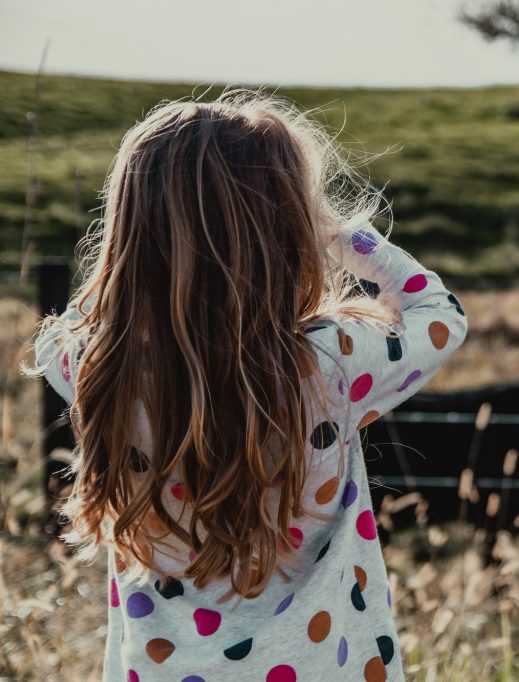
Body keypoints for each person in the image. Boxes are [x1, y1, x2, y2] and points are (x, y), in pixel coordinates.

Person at [22, 89, 468, 682]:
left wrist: (130, 264)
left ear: (128, 238)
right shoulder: (326, 364)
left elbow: (68, 329)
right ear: (291, 233)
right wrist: (339, 232)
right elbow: (439, 313)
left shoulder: (96, 368)